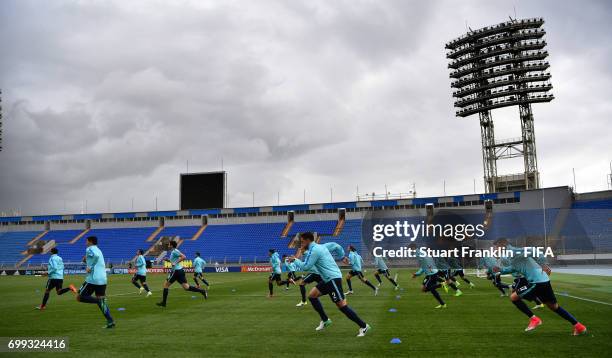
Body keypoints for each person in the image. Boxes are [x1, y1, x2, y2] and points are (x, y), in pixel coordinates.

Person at [492, 238, 587, 335]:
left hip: (536, 281)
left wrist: (543, 264)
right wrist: (502, 270)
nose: (494, 249)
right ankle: (579, 326)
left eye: (495, 247)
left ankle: (534, 319)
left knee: (513, 297)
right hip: (543, 280)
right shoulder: (509, 255)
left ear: (502, 245)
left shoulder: (512, 251)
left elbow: (534, 251)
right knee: (554, 307)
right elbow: (514, 268)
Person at [291, 232, 371, 336]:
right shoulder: (321, 246)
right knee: (312, 296)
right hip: (328, 279)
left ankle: (363, 326)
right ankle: (325, 320)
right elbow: (336, 245)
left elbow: (306, 267)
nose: (301, 244)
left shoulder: (314, 250)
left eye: (302, 242)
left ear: (307, 240)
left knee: (342, 306)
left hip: (332, 278)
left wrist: (295, 260)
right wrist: (342, 257)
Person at [76, 236, 115, 328]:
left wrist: (90, 266)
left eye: (86, 240)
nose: (85, 242)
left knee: (79, 297)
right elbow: (96, 258)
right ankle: (110, 321)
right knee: (101, 301)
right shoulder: (99, 250)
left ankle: (98, 301)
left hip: (93, 279)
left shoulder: (89, 248)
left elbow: (95, 258)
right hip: (103, 278)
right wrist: (87, 262)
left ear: (90, 241)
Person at [156, 241, 207, 307]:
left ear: (171, 245)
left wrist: (175, 262)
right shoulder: (173, 252)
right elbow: (174, 261)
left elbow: (184, 257)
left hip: (176, 271)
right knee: (186, 287)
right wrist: (168, 260)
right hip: (179, 271)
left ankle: (164, 303)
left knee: (166, 285)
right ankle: (202, 291)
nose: (168, 245)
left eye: (169, 244)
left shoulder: (175, 251)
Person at [294, 241, 345, 307]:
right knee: (327, 286)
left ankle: (304, 301)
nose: (301, 248)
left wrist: (296, 257)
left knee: (302, 283)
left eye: (302, 246)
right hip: (319, 273)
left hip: (315, 273)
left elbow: (302, 263)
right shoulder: (317, 249)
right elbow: (335, 245)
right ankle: (338, 293)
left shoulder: (310, 252)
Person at [410, 244, 446, 308]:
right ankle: (443, 304)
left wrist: (416, 274)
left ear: (413, 248)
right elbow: (425, 265)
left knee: (426, 289)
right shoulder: (423, 253)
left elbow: (424, 266)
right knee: (428, 289)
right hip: (432, 272)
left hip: (431, 274)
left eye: (410, 249)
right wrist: (417, 274)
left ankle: (441, 284)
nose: (410, 251)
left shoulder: (418, 254)